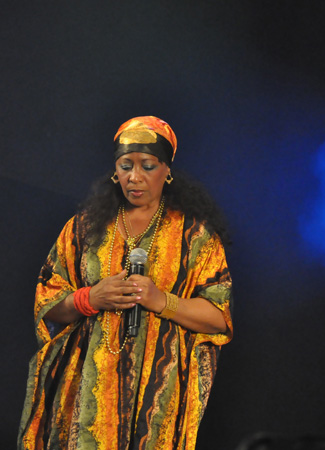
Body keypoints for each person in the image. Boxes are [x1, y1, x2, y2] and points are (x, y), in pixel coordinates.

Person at [18, 116, 233, 449]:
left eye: (147, 166)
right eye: (125, 166)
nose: (135, 177)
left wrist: (162, 300)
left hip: (158, 394)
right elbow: (47, 303)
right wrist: (89, 298)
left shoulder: (194, 235)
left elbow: (219, 316)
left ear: (167, 171)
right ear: (114, 172)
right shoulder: (83, 229)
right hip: (87, 392)